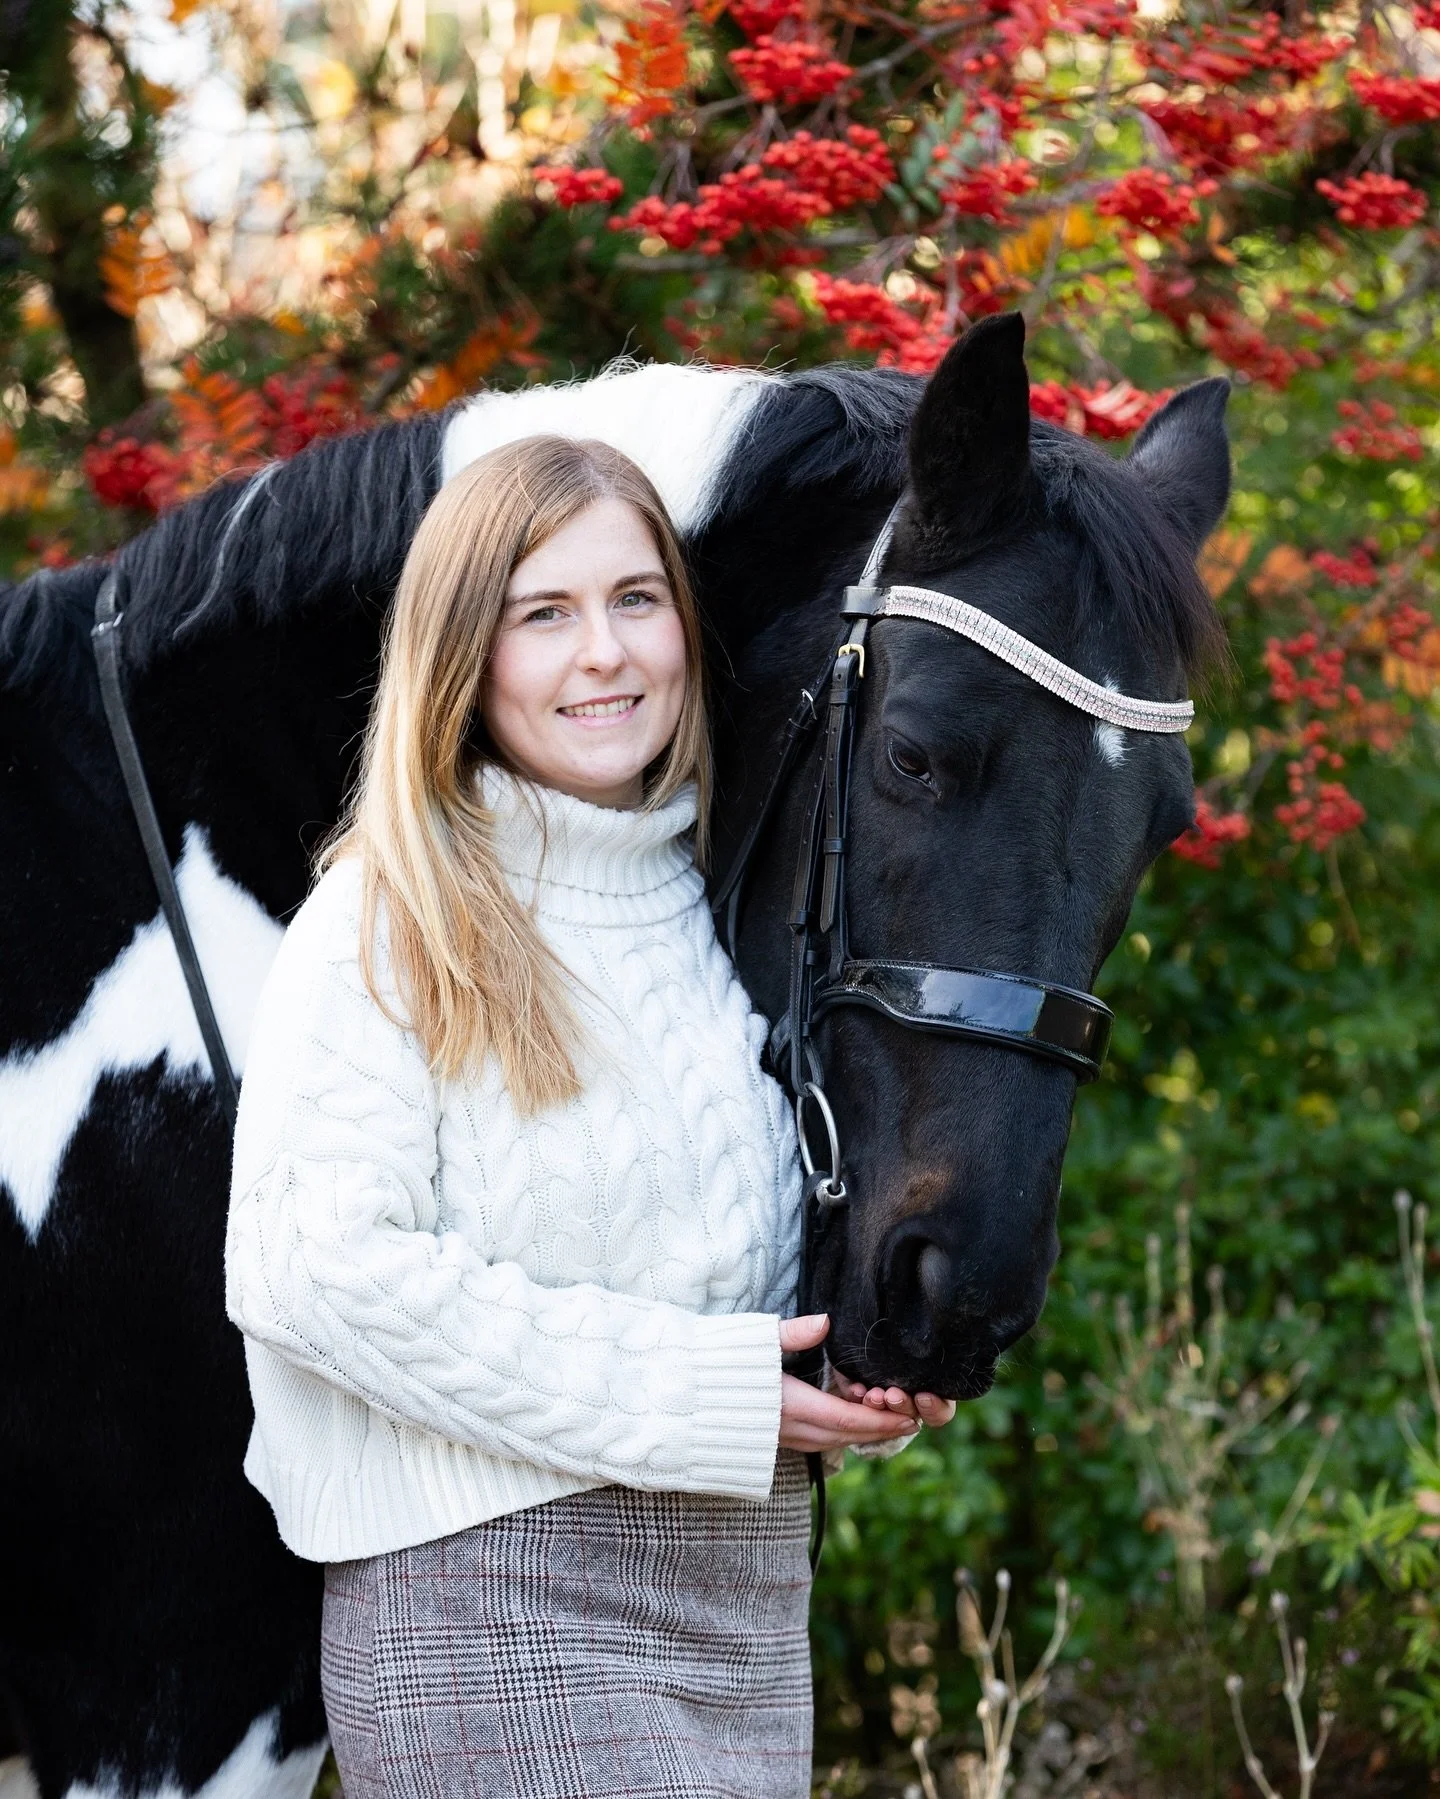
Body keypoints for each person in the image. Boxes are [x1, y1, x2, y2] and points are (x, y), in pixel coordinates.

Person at [225, 435, 955, 1799]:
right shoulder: (396, 914)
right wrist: (705, 1389)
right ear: (464, 657)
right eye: (542, 613)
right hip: (492, 1602)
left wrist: (850, 1358)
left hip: (741, 1597)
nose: (605, 653)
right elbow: (307, 1267)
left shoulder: (709, 910)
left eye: (637, 598)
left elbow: (715, 1266)